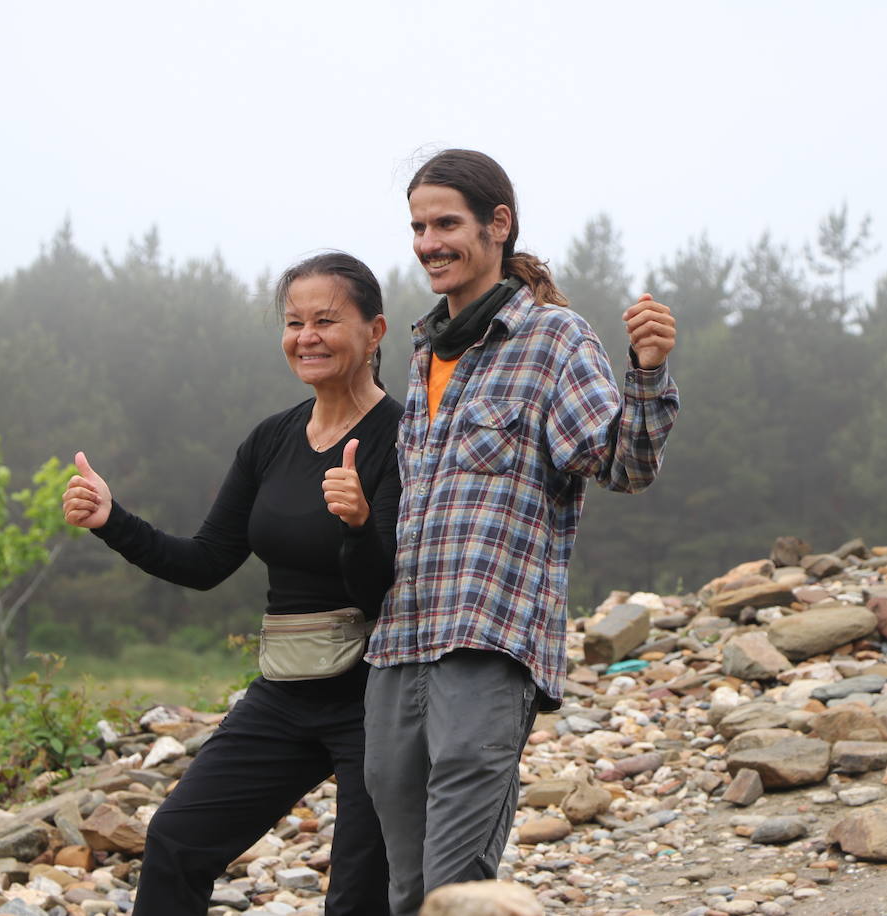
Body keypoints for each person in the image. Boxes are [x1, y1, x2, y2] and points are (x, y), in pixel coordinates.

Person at [362, 149, 681, 915]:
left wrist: (649, 368)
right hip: (399, 643)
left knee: (459, 888)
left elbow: (621, 465)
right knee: (405, 891)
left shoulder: (553, 339)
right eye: (417, 226)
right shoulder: (420, 355)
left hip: (488, 645)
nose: (429, 242)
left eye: (446, 223)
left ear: (497, 225)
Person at [61, 251, 399, 916]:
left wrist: (358, 525)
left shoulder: (406, 438)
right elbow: (207, 561)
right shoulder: (270, 440)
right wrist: (112, 520)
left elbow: (389, 591)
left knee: (358, 897)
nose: (306, 337)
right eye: (294, 322)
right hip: (286, 691)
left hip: (379, 699)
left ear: (375, 331)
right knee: (178, 839)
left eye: (325, 320)